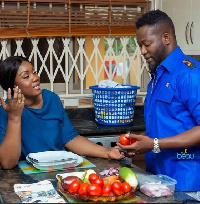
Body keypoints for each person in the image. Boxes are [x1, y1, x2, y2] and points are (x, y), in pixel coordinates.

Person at [117, 9, 200, 199]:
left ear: (166, 38)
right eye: (140, 45)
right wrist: (140, 143)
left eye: (147, 44)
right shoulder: (157, 77)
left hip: (187, 184)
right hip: (158, 181)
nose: (142, 51)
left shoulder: (190, 75)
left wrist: (153, 143)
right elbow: (168, 126)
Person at [0, 56, 125, 170]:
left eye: (34, 72)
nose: (36, 78)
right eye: (26, 76)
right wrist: (14, 117)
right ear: (13, 87)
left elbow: (70, 139)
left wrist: (107, 152)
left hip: (59, 169)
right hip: (27, 176)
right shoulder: (5, 112)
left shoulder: (51, 99)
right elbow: (7, 163)